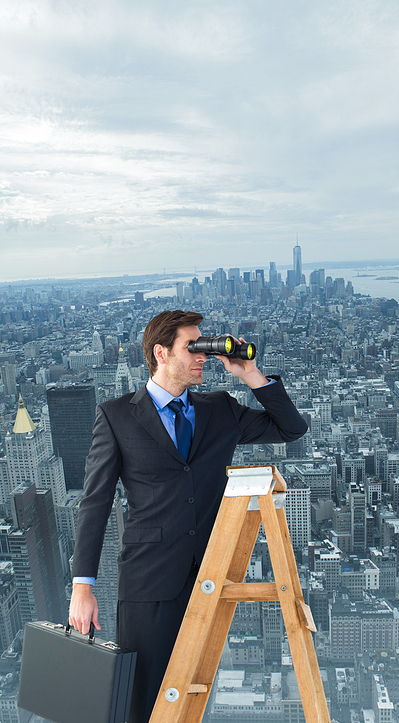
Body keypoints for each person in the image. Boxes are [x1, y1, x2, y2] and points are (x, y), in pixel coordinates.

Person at [69, 310, 307, 723]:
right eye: (191, 347)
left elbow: (291, 429)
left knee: (193, 696)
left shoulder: (220, 409)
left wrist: (250, 374)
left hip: (212, 575)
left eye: (203, 346)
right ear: (160, 353)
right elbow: (95, 502)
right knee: (143, 702)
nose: (202, 356)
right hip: (149, 582)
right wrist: (82, 585)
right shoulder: (117, 416)